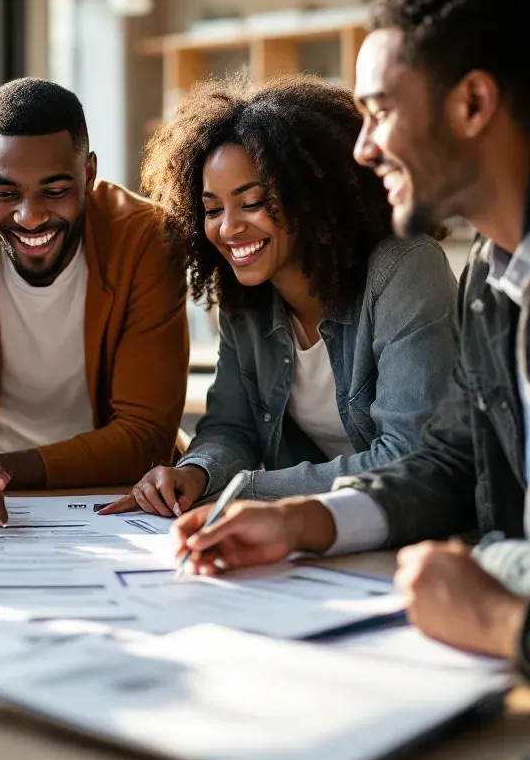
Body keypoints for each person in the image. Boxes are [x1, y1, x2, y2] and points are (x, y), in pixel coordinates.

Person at [170, 0, 530, 669]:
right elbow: (450, 464)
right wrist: (304, 521)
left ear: (471, 104)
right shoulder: (490, 284)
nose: (362, 151)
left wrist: (506, 624)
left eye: (381, 112)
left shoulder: (414, 270)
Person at [101, 76, 457, 518]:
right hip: (314, 533)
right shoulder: (245, 299)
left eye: (252, 202)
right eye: (212, 209)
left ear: (315, 196)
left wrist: (244, 491)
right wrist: (195, 473)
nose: (228, 228)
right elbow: (232, 427)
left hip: (421, 528)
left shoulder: (405, 269)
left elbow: (409, 456)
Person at [0, 77, 190, 524]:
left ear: (88, 175)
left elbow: (144, 438)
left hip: (124, 497)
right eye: (4, 193)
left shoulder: (147, 239)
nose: (30, 217)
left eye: (54, 191)